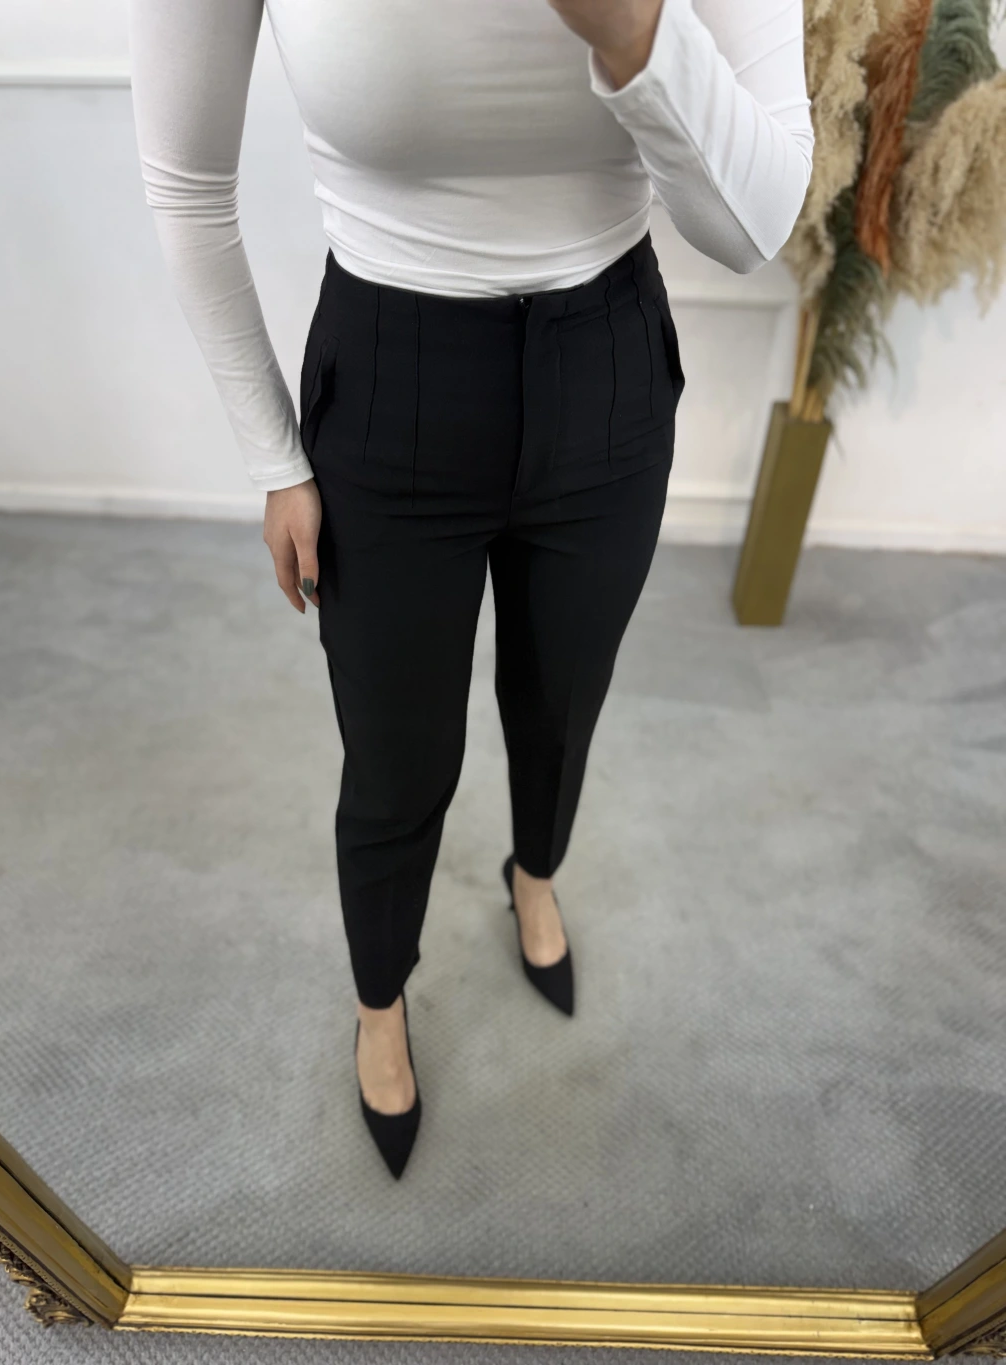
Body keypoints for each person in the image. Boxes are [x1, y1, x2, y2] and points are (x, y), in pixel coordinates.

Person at [127, 0, 813, 1179]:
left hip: (604, 371)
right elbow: (187, 184)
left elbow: (751, 228)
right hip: (390, 377)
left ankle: (532, 876)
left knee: (562, 702)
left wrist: (634, 35)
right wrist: (273, 457)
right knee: (395, 757)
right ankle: (379, 998)